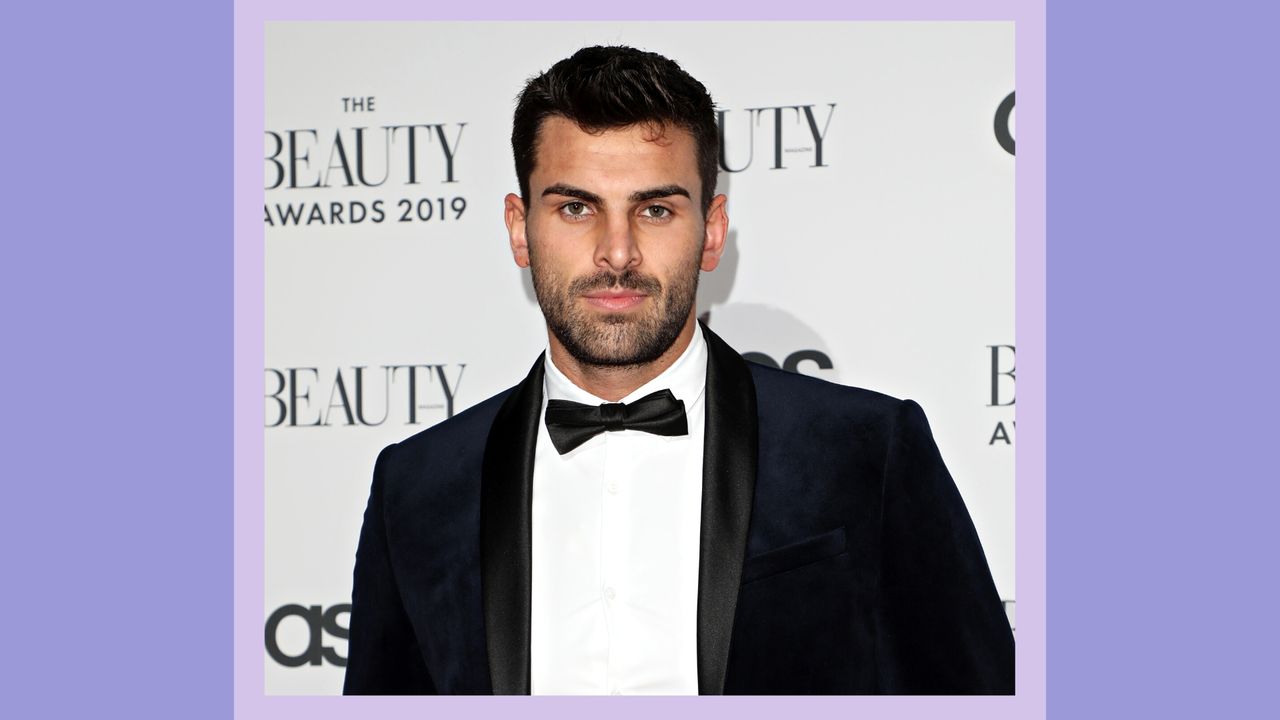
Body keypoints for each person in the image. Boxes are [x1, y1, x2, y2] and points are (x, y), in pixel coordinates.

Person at [343, 45, 1014, 696]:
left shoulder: (865, 450)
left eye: (655, 209)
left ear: (713, 229)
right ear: (520, 230)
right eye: (575, 207)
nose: (616, 252)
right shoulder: (418, 488)